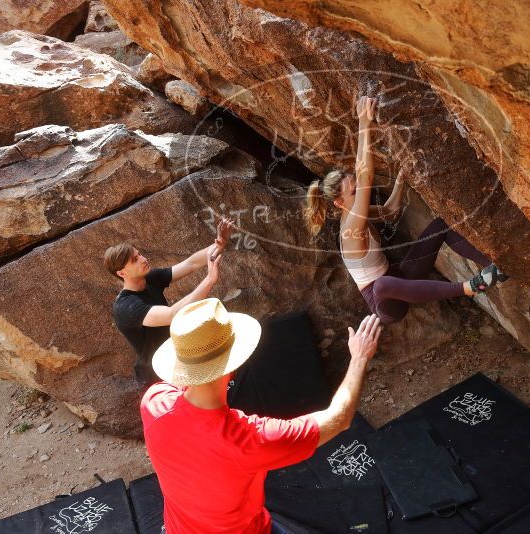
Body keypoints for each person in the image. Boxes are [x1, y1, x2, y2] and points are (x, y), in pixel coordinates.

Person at [141, 298, 382, 533]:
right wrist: (359, 358)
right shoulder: (248, 441)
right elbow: (339, 418)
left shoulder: (153, 401)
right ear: (233, 366)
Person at [304, 95, 507, 325]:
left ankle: (497, 268)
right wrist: (364, 124)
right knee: (382, 284)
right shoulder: (350, 228)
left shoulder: (361, 213)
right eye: (354, 192)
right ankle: (469, 288)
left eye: (357, 186)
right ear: (339, 204)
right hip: (385, 302)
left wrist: (401, 178)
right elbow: (365, 175)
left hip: (401, 277)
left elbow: (390, 211)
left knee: (441, 225)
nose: (360, 191)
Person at [104, 218, 234, 386]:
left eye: (139, 254)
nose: (143, 259)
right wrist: (209, 280)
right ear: (122, 273)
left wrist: (219, 244)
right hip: (158, 378)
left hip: (179, 363)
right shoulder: (126, 307)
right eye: (135, 260)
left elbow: (191, 264)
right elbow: (172, 315)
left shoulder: (149, 279)